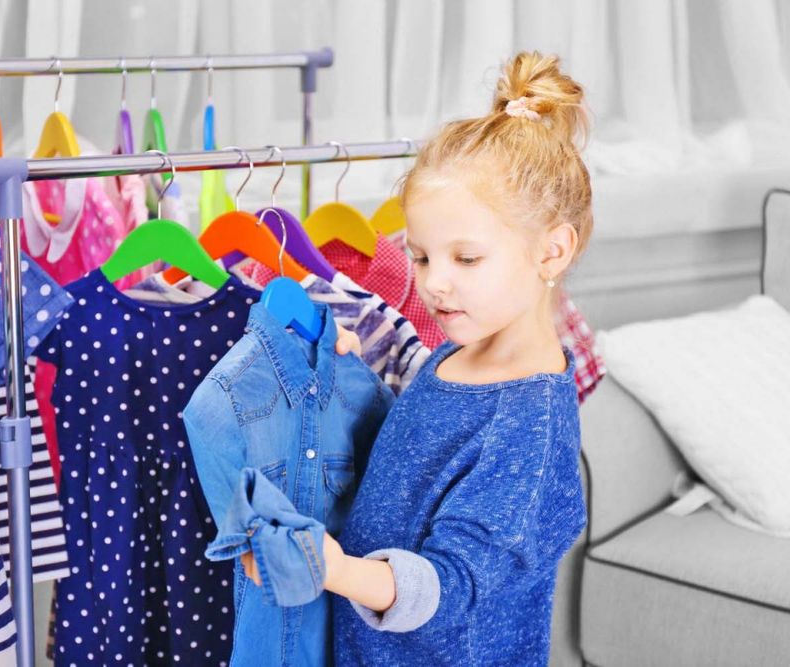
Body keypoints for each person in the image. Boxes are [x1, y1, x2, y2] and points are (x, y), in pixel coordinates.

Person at [245, 50, 592, 666]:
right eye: (422, 257)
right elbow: (413, 457)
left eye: (466, 259)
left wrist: (332, 569)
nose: (434, 283)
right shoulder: (458, 354)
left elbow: (452, 588)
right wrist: (352, 375)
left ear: (551, 252)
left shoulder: (529, 430)